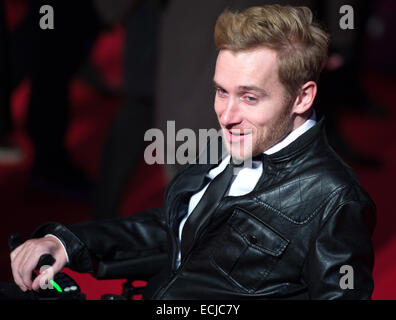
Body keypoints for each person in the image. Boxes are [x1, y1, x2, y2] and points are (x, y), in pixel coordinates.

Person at [10, 5, 376, 299]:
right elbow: (176, 229)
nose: (226, 116)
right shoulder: (232, 142)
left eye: (249, 97)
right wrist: (66, 243)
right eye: (221, 91)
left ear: (303, 97)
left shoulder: (335, 199)